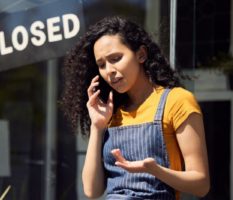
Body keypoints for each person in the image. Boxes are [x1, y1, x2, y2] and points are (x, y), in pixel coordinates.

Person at [60, 16, 210, 200]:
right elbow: (92, 191)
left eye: (115, 58)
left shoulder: (177, 101)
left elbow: (201, 185)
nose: (109, 70)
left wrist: (156, 171)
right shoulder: (112, 112)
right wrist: (97, 126)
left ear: (141, 54)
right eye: (101, 65)